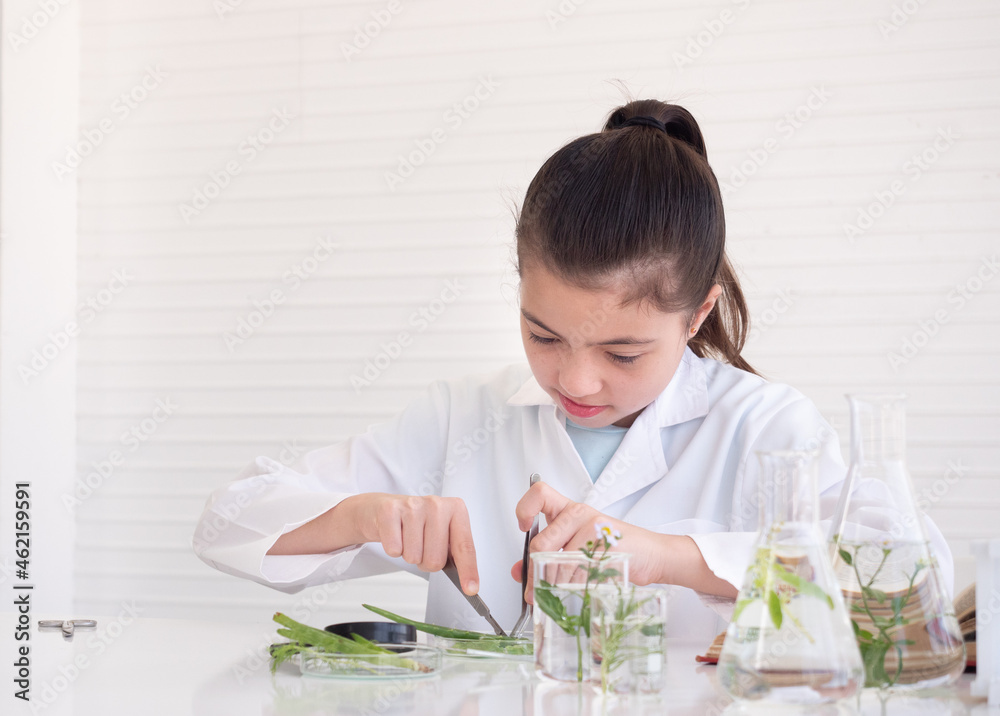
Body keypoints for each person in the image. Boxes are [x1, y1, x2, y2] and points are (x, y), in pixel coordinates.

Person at [192, 100, 953, 641]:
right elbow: (226, 523)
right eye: (543, 334)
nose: (577, 382)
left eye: (623, 353)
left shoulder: (763, 426)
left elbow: (913, 583)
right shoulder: (463, 417)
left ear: (696, 315)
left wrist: (668, 558)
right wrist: (362, 516)